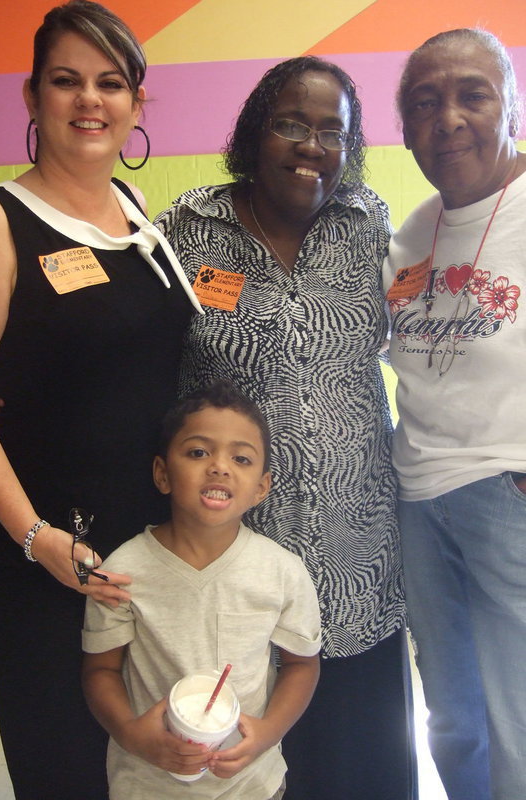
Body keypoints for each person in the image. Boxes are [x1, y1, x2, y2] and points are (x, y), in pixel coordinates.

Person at [0, 2, 202, 798]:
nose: (90, 101)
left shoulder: (136, 215)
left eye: (111, 83)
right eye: (66, 81)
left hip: (139, 546)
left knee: (144, 756)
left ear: (137, 104)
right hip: (44, 549)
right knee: (67, 762)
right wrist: (35, 536)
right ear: (32, 97)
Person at [155, 57, 416, 799]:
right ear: (252, 133)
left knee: (364, 760)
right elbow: (132, 352)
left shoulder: (368, 224)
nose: (311, 146)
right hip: (236, 552)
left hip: (357, 547)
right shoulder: (188, 227)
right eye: (291, 125)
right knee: (247, 757)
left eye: (333, 131)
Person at [383, 28, 526, 800]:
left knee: (521, 723)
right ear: (404, 130)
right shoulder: (409, 235)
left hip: (512, 497)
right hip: (419, 503)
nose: (450, 118)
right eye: (425, 103)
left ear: (511, 104)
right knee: (454, 720)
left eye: (472, 94)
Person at [82, 380, 321, 799]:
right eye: (198, 452)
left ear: (261, 488)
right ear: (162, 474)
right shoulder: (122, 571)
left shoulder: (283, 572)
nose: (220, 467)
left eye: (242, 458)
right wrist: (132, 735)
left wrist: (266, 734)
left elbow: (302, 666)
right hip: (147, 785)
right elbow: (100, 670)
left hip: (253, 786)